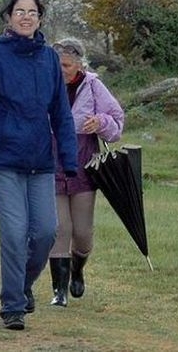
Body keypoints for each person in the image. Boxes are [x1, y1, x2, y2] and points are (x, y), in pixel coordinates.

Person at [0, 0, 78, 331]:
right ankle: (13, 305)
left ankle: (22, 286)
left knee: (44, 233)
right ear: (8, 17)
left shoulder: (50, 59)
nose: (26, 16)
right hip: (4, 160)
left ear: (40, 18)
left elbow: (61, 112)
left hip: (41, 161)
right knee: (13, 233)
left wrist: (68, 159)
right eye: (19, 11)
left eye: (32, 12)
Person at [48, 38, 124, 307]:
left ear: (79, 64)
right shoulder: (45, 82)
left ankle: (77, 270)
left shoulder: (93, 85)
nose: (62, 70)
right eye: (58, 65)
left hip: (83, 169)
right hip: (51, 164)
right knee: (59, 227)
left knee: (82, 233)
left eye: (67, 65)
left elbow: (117, 124)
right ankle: (59, 291)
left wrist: (100, 122)